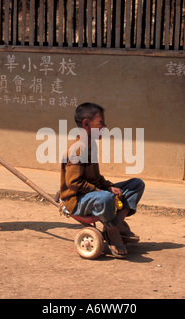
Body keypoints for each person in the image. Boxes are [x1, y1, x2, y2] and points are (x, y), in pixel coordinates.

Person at [59, 102, 145, 258]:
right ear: (86, 124)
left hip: (92, 195)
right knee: (105, 197)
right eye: (101, 123)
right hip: (77, 200)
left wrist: (108, 186)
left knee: (136, 184)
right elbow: (73, 183)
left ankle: (117, 221)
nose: (105, 127)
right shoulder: (77, 149)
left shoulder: (91, 145)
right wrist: (99, 191)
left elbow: (96, 178)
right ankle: (113, 231)